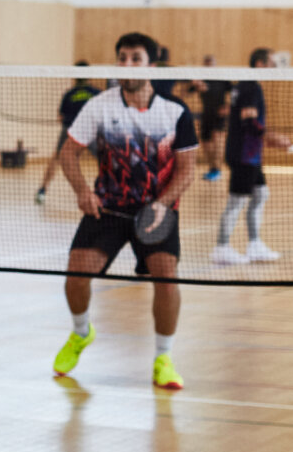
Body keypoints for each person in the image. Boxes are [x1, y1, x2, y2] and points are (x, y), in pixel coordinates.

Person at [52, 31, 198, 391]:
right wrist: (82, 191)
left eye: (135, 58)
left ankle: (164, 358)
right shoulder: (99, 105)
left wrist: (162, 204)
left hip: (156, 211)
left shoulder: (175, 111)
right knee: (75, 276)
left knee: (166, 279)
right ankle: (81, 332)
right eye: (122, 58)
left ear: (151, 66)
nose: (127, 65)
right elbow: (67, 153)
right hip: (108, 209)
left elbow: (186, 170)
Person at [213, 48, 293, 264]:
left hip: (250, 155)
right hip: (243, 155)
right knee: (237, 201)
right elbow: (249, 122)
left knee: (260, 194)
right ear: (260, 64)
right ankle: (221, 247)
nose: (274, 67)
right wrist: (273, 138)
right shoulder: (250, 87)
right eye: (271, 63)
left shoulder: (245, 85)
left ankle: (255, 245)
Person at [37, 64, 99, 204]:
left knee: (56, 158)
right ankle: (107, 189)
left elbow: (61, 116)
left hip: (70, 130)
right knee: (105, 158)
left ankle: (42, 190)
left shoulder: (69, 94)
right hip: (91, 131)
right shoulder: (96, 93)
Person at [193, 56, 228, 181]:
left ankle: (217, 170)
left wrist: (228, 107)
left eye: (211, 63)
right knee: (206, 144)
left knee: (218, 143)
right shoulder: (201, 79)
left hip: (219, 116)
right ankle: (212, 168)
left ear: (215, 65)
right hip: (206, 115)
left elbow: (234, 94)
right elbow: (185, 92)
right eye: (207, 64)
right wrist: (195, 85)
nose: (209, 66)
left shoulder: (222, 79)